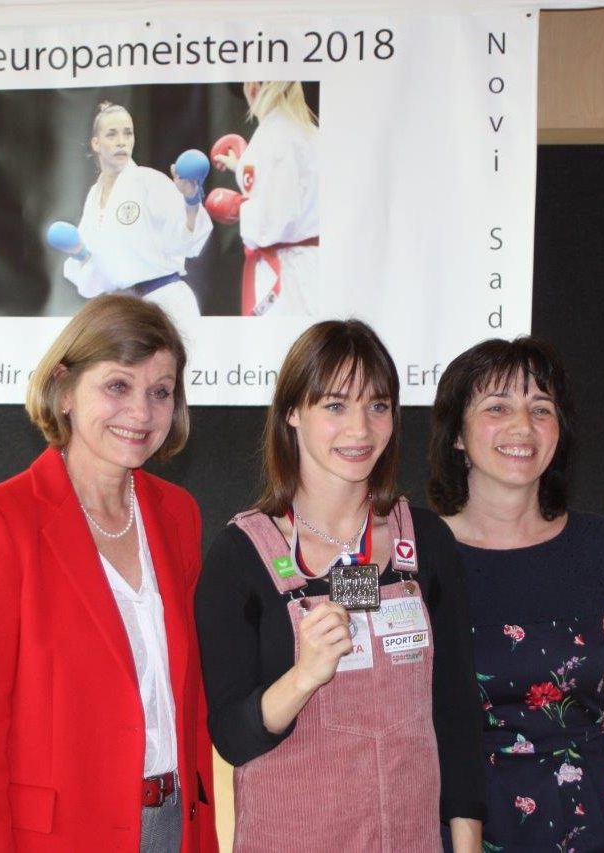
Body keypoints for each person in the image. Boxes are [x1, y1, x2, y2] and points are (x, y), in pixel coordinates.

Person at [0, 294, 217, 852]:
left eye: (160, 392)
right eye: (118, 386)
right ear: (64, 389)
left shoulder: (178, 515)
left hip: (173, 826)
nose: (141, 412)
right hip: (58, 837)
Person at [194, 319, 484, 851]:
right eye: (334, 406)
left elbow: (457, 713)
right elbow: (232, 737)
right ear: (292, 413)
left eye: (377, 405)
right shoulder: (242, 554)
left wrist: (465, 845)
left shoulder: (425, 541)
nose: (360, 429)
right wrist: (304, 676)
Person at [427, 336, 604, 852]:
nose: (522, 426)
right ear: (457, 433)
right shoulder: (419, 554)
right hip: (458, 828)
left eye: (540, 408)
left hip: (589, 820)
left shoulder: (601, 548)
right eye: (497, 407)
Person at [59, 102, 212, 328]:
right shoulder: (94, 196)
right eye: (112, 134)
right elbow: (94, 281)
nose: (121, 141)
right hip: (127, 310)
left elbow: (187, 243)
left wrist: (190, 200)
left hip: (166, 303)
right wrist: (79, 254)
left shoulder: (149, 181)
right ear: (96, 143)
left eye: (127, 133)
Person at [212, 81, 318, 316]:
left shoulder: (275, 136)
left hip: (287, 274)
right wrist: (241, 167)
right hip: (305, 266)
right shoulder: (304, 130)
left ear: (252, 87)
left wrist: (239, 207)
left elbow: (273, 223)